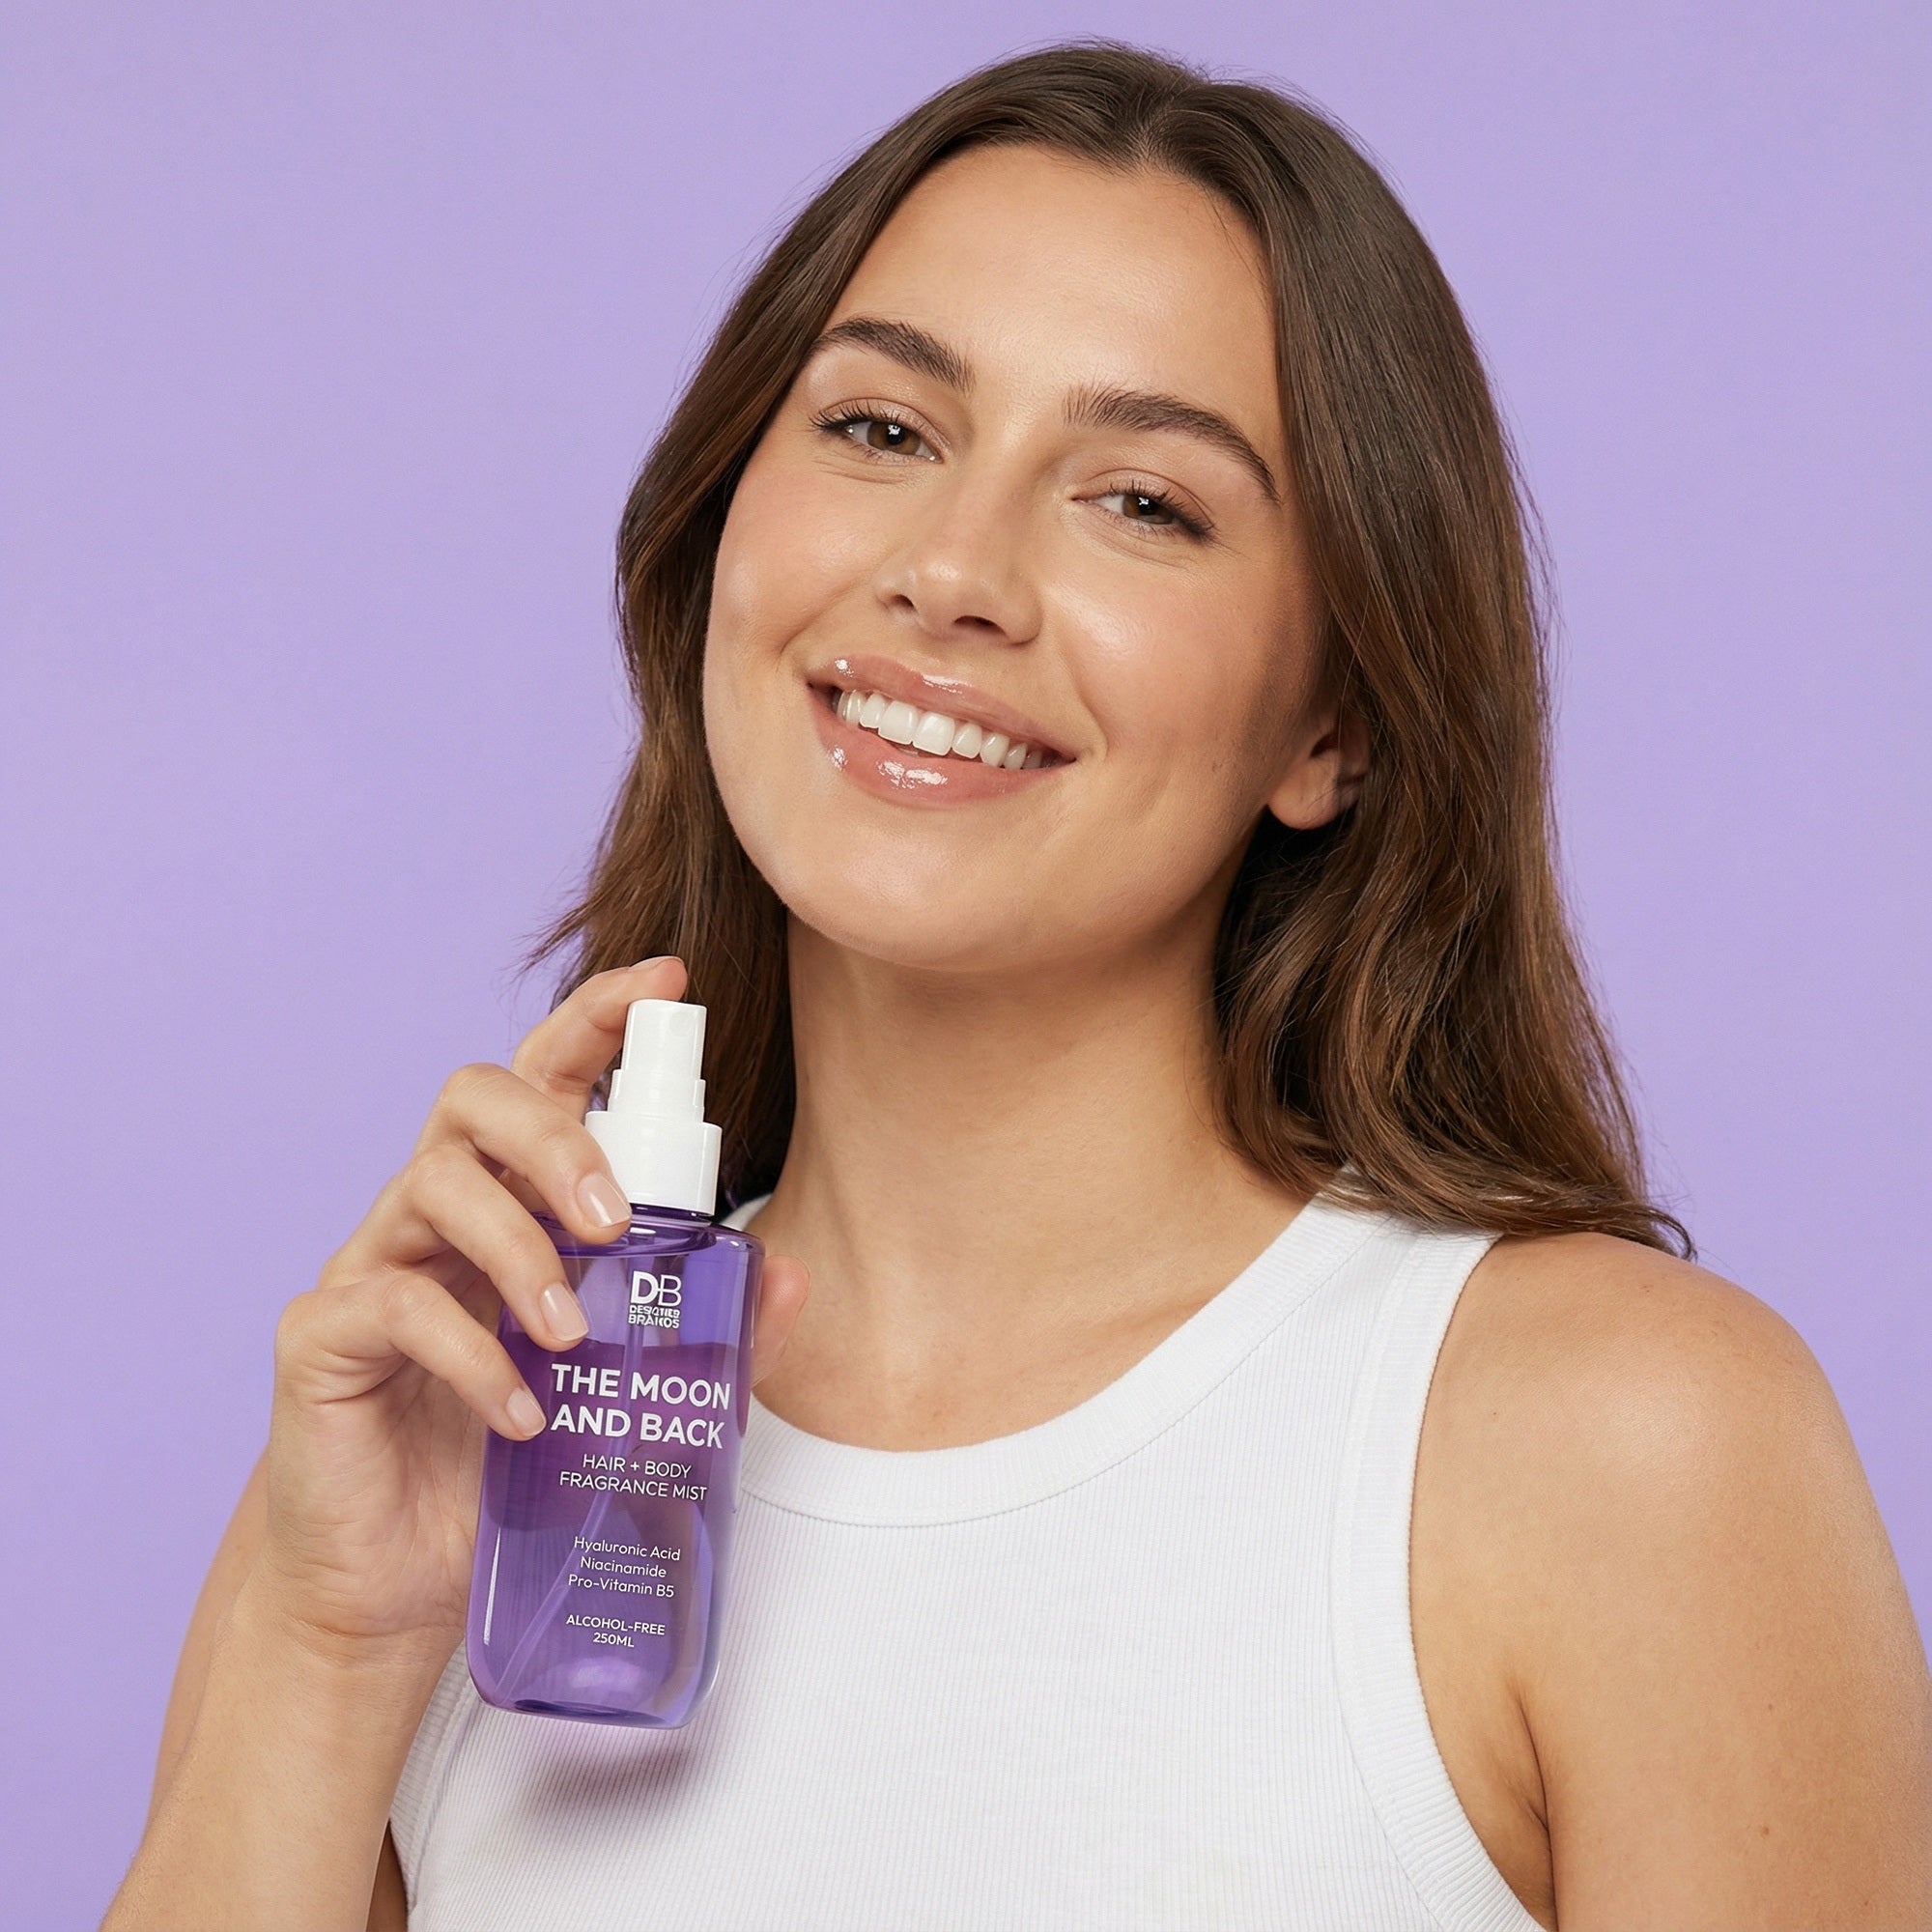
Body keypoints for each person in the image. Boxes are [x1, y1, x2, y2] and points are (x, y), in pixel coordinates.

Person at [105, 42, 1930, 1932]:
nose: (952, 573)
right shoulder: (440, 1453)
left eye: (1142, 500)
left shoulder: (1622, 1447)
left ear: (1336, 722)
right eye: (882, 429)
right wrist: (322, 1652)